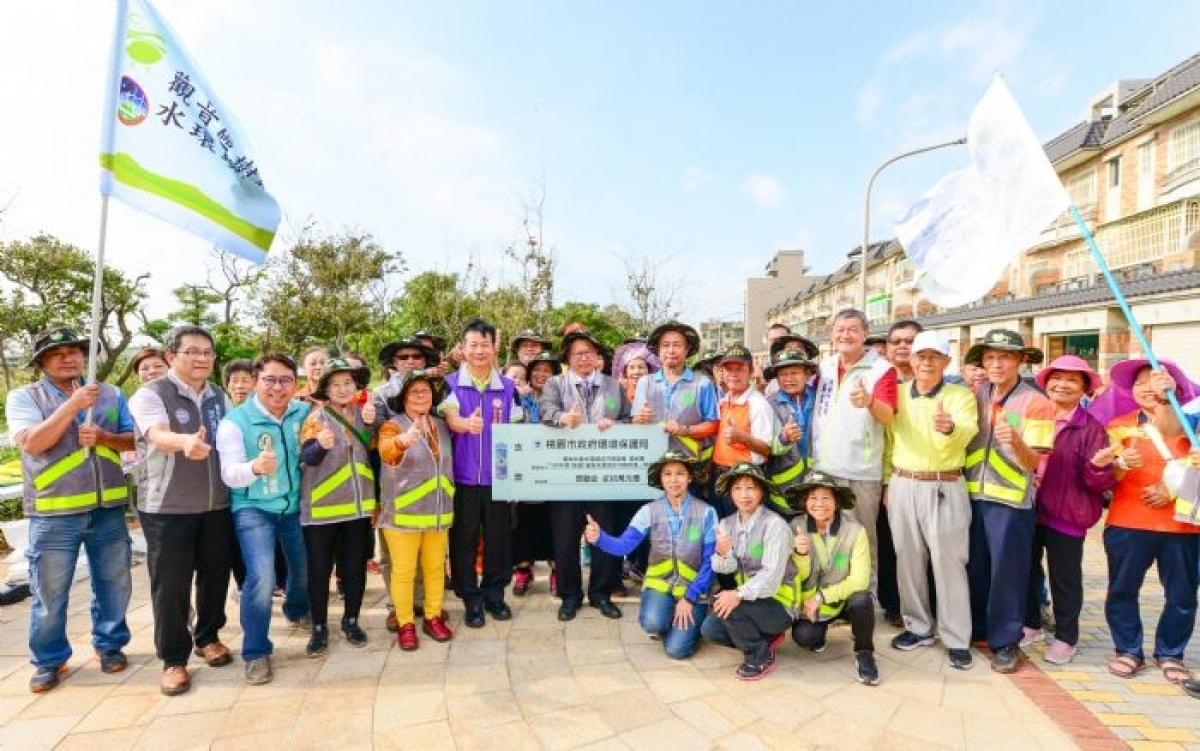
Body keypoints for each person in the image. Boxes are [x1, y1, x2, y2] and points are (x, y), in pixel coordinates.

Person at [7, 327, 135, 693]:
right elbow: (32, 443)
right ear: (41, 363)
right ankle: (49, 660)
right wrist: (73, 406)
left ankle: (110, 645)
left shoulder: (110, 394)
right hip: (53, 514)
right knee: (50, 591)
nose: (70, 357)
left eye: (75, 351)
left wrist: (107, 437)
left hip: (108, 508)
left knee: (114, 583)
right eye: (58, 353)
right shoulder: (24, 397)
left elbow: (133, 439)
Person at [129, 325, 235, 696]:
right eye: (192, 351)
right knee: (171, 586)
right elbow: (156, 433)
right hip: (167, 508)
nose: (202, 358)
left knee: (215, 575)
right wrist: (183, 441)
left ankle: (208, 637)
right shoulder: (151, 394)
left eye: (207, 351)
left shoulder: (219, 396)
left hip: (216, 504)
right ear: (171, 356)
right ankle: (174, 659)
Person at [216, 353, 312, 685]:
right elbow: (229, 474)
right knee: (261, 578)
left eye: (286, 380)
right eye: (269, 379)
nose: (277, 387)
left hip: (295, 506)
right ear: (256, 381)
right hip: (253, 508)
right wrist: (255, 468)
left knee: (304, 568)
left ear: (295, 384)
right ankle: (256, 651)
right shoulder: (234, 422)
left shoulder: (304, 412)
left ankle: (297, 611)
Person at [885, 331, 979, 670]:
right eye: (920, 356)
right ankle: (918, 627)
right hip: (903, 483)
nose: (926, 362)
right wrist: (887, 483)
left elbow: (966, 432)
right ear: (910, 360)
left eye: (934, 357)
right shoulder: (896, 395)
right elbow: (886, 438)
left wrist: (948, 426)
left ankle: (955, 637)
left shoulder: (960, 395)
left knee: (948, 563)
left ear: (946, 362)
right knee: (907, 560)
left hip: (944, 484)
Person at [1103, 360, 1199, 686]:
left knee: (1183, 595)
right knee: (1122, 589)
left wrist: (1172, 489)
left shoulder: (1193, 423)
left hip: (1182, 525)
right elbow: (1108, 477)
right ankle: (1128, 649)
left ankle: (1171, 653)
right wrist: (1119, 463)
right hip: (1128, 521)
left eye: (1155, 379)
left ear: (1174, 385)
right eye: (1140, 382)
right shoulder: (1119, 425)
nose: (1147, 387)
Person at [962, 329, 1053, 673]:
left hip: (1011, 504)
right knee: (976, 568)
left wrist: (1014, 441)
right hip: (970, 496)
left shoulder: (1036, 402)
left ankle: (1005, 641)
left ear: (1020, 360)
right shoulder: (974, 393)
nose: (996, 364)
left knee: (1008, 574)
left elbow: (1034, 463)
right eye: (990, 357)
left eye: (1005, 357)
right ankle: (978, 630)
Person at [1019, 356, 1114, 665]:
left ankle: (1066, 636)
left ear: (1084, 388)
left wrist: (1098, 467)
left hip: (1067, 513)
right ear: (1046, 382)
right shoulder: (1034, 415)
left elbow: (1098, 482)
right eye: (1057, 377)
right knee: (1027, 572)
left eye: (1073, 380)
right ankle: (1031, 625)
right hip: (1027, 507)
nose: (1062, 384)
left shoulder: (1091, 428)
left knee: (1065, 578)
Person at [584, 451, 717, 658]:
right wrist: (600, 538)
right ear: (661, 479)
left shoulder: (707, 512)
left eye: (680, 474)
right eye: (668, 474)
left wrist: (689, 599)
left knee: (677, 650)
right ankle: (669, 618)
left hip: (693, 590)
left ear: (690, 477)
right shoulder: (648, 511)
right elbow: (624, 546)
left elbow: (711, 562)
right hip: (659, 585)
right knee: (652, 623)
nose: (674, 480)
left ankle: (691, 625)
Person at [540, 327, 630, 620]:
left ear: (597, 356)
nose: (584, 358)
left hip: (602, 474)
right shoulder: (555, 384)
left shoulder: (613, 386)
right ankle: (569, 595)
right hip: (564, 475)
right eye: (577, 353)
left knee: (603, 534)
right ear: (567, 357)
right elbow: (544, 412)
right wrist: (563, 418)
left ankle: (601, 593)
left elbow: (628, 418)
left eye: (589, 352)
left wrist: (615, 425)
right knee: (565, 538)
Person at [440, 318, 523, 628]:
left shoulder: (509, 388)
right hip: (462, 479)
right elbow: (449, 416)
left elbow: (517, 433)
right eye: (472, 344)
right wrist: (465, 424)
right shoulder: (449, 384)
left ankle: (495, 594)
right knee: (463, 539)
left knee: (500, 539)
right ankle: (471, 599)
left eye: (484, 345)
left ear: (494, 348)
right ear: (462, 348)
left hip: (498, 479)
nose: (478, 351)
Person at [297, 358, 377, 656]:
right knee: (319, 571)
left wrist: (371, 424)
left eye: (348, 383)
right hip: (322, 511)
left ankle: (351, 620)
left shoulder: (365, 415)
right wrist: (321, 445)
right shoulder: (316, 418)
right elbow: (309, 458)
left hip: (358, 510)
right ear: (325, 390)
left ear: (357, 387)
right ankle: (319, 627)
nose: (343, 389)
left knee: (355, 568)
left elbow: (377, 453)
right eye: (336, 384)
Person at [377, 369, 455, 650]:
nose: (421, 396)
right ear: (404, 398)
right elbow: (386, 450)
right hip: (402, 517)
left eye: (425, 391)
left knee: (435, 570)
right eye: (414, 392)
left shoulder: (441, 425)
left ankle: (433, 616)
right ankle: (406, 622)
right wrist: (402, 441)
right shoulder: (393, 425)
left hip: (438, 514)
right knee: (404, 572)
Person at [701, 463, 799, 680]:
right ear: (730, 493)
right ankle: (763, 638)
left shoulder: (775, 525)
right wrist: (722, 552)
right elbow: (725, 568)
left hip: (778, 603)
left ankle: (759, 656)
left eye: (751, 488)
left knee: (732, 607)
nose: (744, 495)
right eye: (737, 488)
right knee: (710, 629)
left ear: (761, 491)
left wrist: (736, 595)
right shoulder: (726, 524)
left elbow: (771, 578)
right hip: (750, 600)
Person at [784, 471, 878, 685]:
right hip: (810, 607)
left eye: (826, 497)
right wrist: (800, 554)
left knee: (862, 600)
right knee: (804, 637)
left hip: (841, 601)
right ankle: (821, 632)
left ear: (836, 502)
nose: (819, 504)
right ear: (804, 501)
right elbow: (795, 577)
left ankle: (864, 653)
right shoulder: (795, 527)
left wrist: (821, 597)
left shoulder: (855, 531)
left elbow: (860, 581)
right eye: (813, 498)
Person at [632, 322, 719, 493]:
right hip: (653, 466)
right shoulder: (645, 383)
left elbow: (713, 425)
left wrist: (684, 430)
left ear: (687, 350)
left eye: (677, 345)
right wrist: (638, 419)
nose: (671, 350)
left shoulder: (702, 383)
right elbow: (635, 423)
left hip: (688, 469)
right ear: (658, 350)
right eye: (665, 345)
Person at [877, 320, 924, 627]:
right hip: (887, 477)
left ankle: (922, 606)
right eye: (896, 341)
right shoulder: (880, 381)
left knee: (923, 548)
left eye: (910, 341)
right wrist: (885, 480)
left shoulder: (938, 384)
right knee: (889, 546)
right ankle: (893, 605)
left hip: (928, 479)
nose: (903, 346)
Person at [512, 351, 559, 596]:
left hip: (555, 471)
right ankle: (523, 570)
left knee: (553, 522)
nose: (541, 375)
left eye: (547, 370)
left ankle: (556, 570)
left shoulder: (561, 398)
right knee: (522, 522)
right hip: (523, 471)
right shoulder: (518, 398)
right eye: (537, 370)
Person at [709, 344, 774, 518]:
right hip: (720, 474)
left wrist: (742, 437)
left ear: (751, 372)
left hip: (744, 478)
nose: (734, 374)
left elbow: (767, 448)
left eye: (740, 369)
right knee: (723, 527)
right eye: (729, 369)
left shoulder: (758, 404)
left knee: (743, 529)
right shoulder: (723, 401)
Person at [763, 350, 817, 513]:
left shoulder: (820, 397)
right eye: (783, 374)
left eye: (795, 373)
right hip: (784, 492)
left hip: (817, 487)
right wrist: (783, 438)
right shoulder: (769, 405)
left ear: (806, 374)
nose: (789, 379)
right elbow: (765, 447)